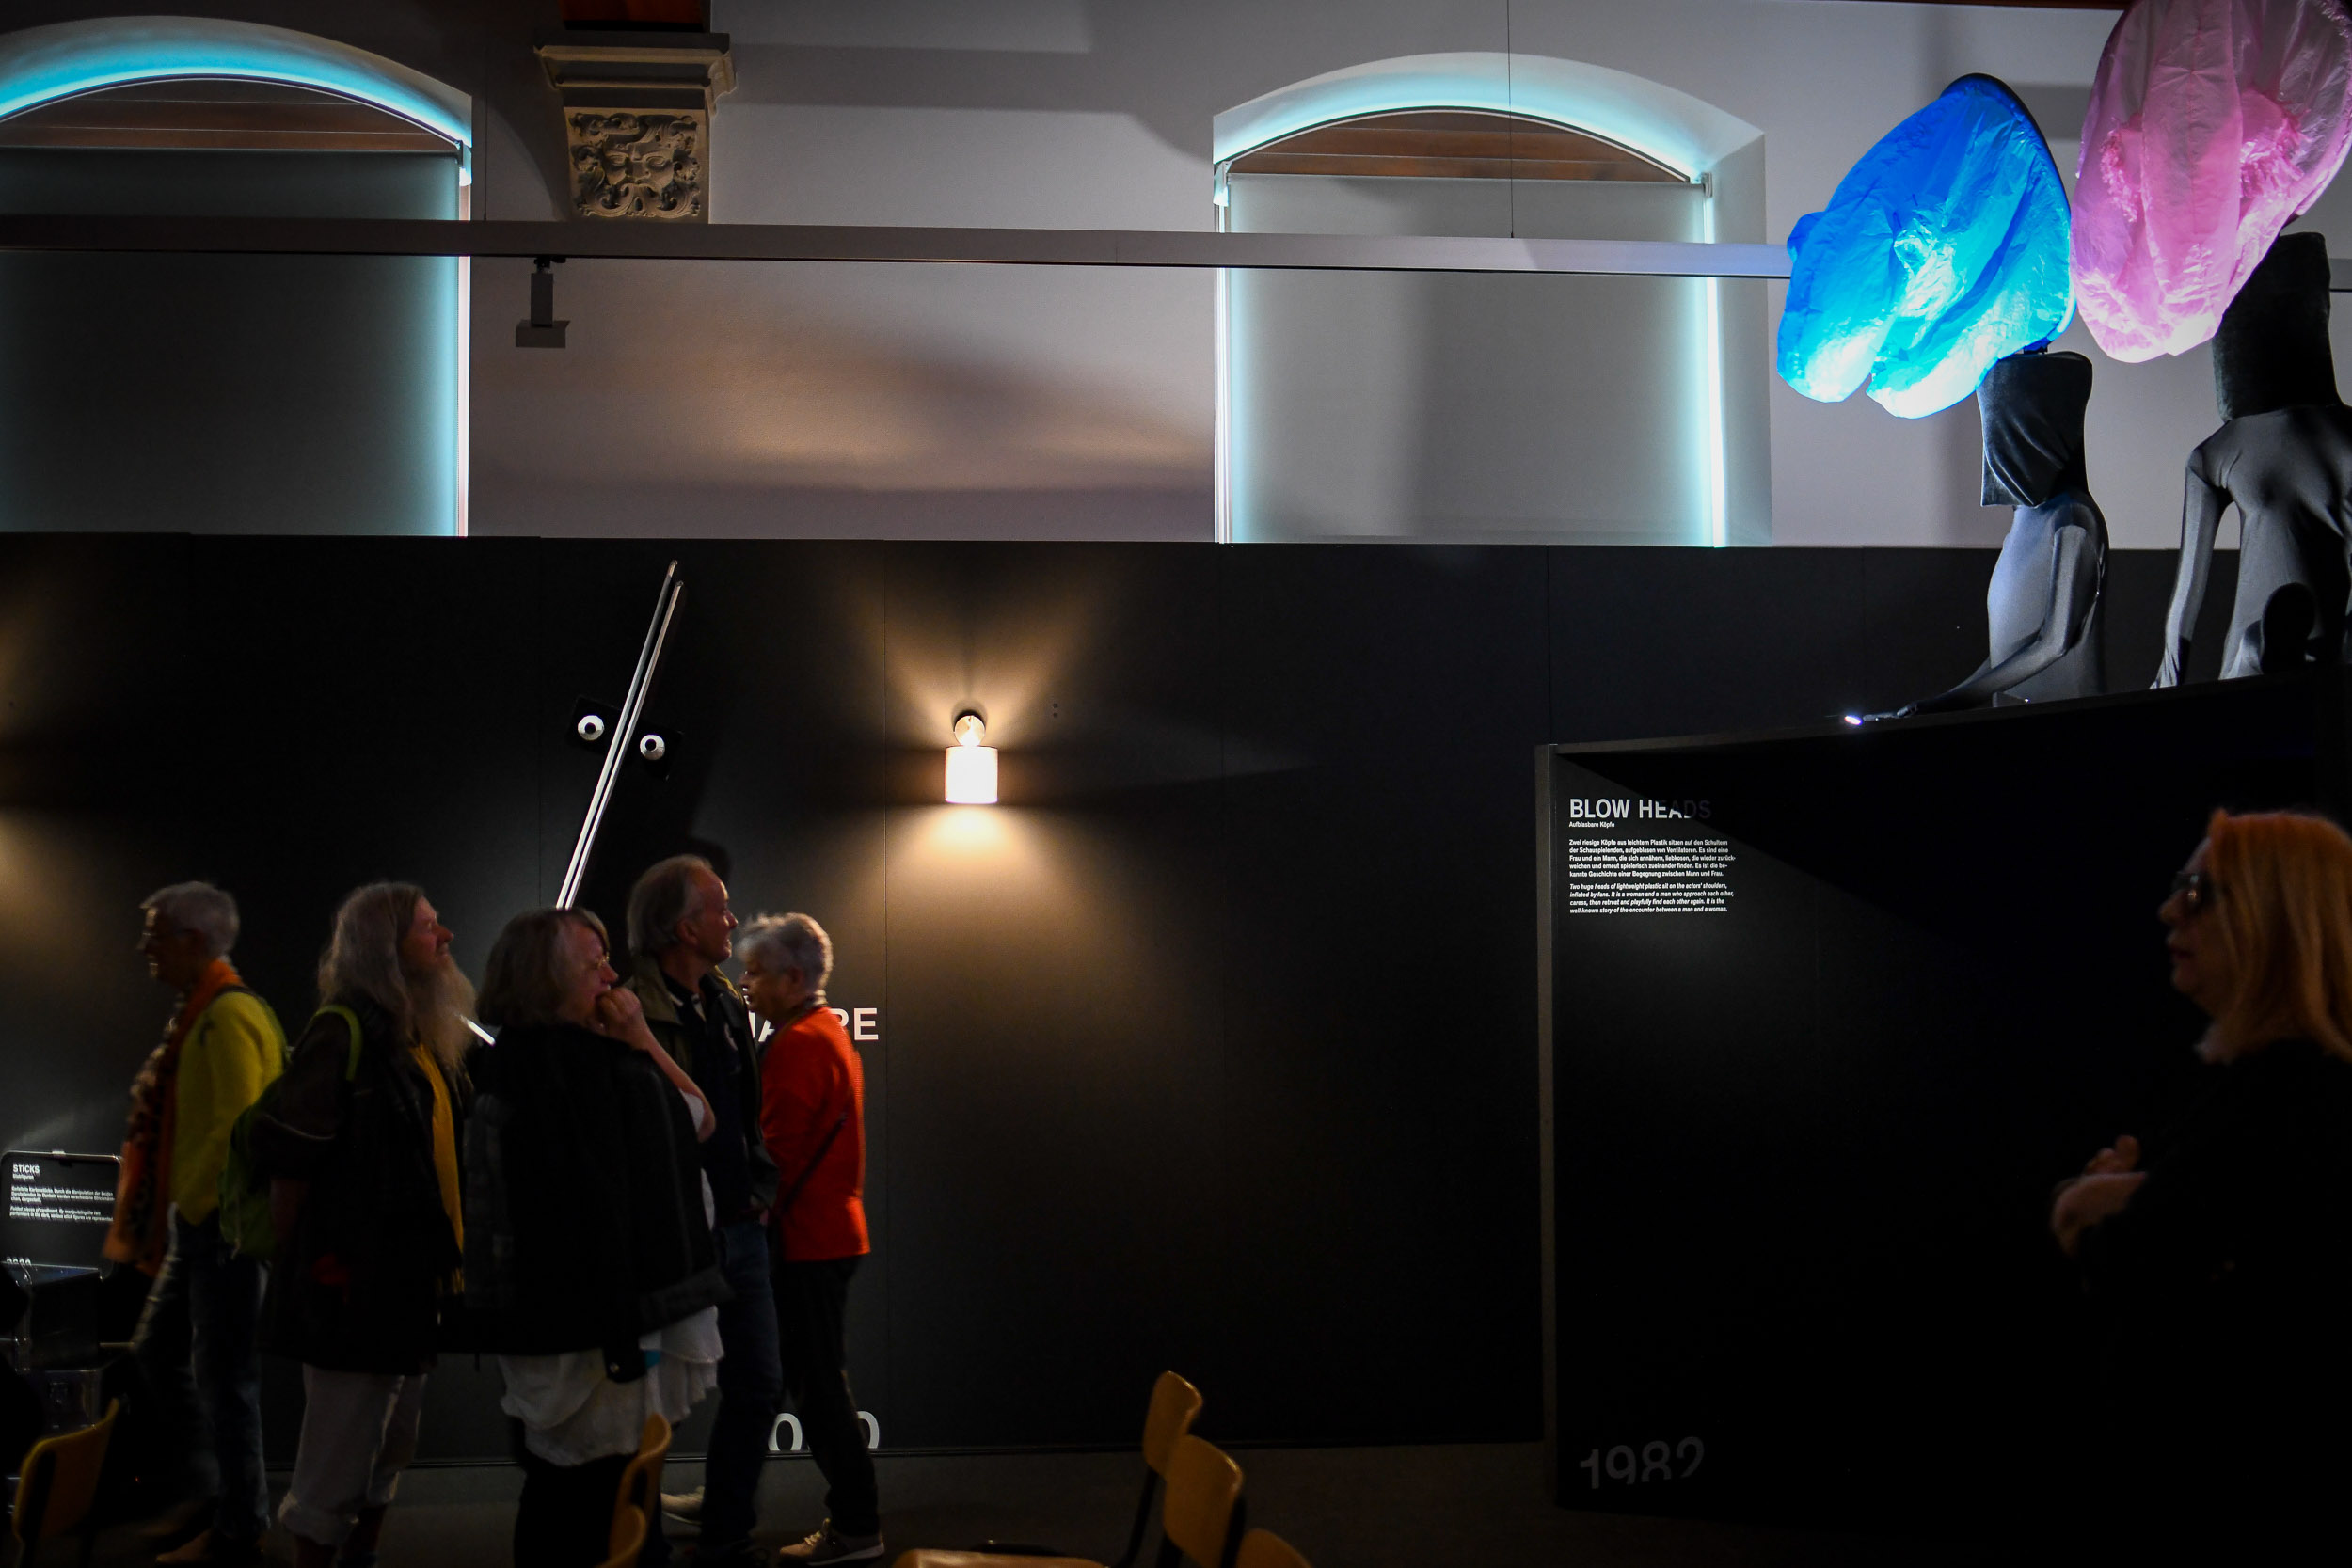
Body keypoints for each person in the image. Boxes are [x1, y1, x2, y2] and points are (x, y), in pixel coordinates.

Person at [2049, 810, 2352, 1551]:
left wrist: (2090, 1209)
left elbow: (2139, 1254)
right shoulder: (2261, 1085)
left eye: (2196, 891)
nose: (2168, 910)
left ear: (2270, 915)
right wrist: (2138, 1198)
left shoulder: (2287, 1090)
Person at [466, 906, 728, 1568]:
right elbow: (698, 1116)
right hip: (595, 1344)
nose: (613, 976)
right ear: (547, 981)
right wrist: (639, 1038)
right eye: (596, 964)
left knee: (567, 1492)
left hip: (555, 1333)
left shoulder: (510, 1065)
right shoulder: (588, 1075)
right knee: (589, 1502)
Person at [250, 884, 472, 1568]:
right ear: (385, 947)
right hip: (354, 1286)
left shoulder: (415, 1037)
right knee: (336, 1458)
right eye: (429, 927)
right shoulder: (342, 1032)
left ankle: (361, 1559)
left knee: (390, 1445)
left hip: (408, 1281)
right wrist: (314, 1273)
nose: (446, 937)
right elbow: (290, 1166)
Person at [106, 883, 284, 1566]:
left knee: (224, 1378)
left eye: (156, 933)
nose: (144, 946)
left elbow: (240, 1126)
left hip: (221, 1229)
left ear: (195, 940)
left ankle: (235, 1523)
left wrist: (199, 1206)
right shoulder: (207, 1013)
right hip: (206, 1226)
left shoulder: (226, 1015)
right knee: (172, 1357)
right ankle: (216, 1502)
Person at [622, 858, 782, 1568]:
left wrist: (757, 1189)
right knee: (653, 1407)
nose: (733, 921)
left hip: (740, 1226)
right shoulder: (629, 1010)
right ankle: (643, 1546)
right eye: (719, 909)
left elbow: (742, 1112)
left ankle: (725, 1536)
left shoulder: (722, 999)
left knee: (760, 1383)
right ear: (684, 928)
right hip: (677, 1236)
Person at [744, 914, 882, 1565]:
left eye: (756, 973)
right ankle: (732, 1496)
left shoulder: (799, 1043)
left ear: (793, 978)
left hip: (808, 1243)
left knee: (818, 1388)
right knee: (807, 1381)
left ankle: (856, 1527)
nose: (745, 985)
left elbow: (774, 1156)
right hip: (826, 1236)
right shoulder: (824, 1033)